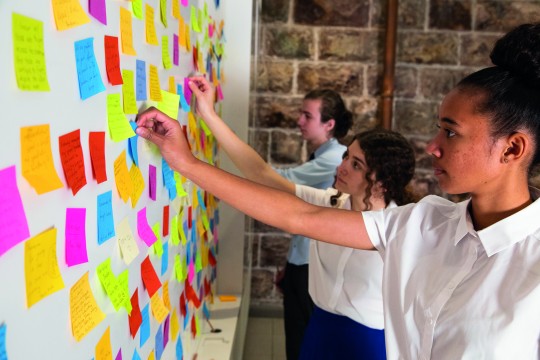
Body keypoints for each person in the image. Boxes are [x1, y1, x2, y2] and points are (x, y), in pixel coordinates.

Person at [136, 23, 540, 358]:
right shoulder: (425, 221)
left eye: (450, 132)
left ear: (512, 148)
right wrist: (185, 163)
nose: (433, 145)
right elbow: (298, 215)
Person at [186, 76, 416, 359]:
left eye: (356, 165)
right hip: (321, 328)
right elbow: (262, 176)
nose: (342, 167)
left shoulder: (399, 227)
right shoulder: (330, 202)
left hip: (366, 341)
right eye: (346, 157)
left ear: (381, 182)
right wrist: (207, 114)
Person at [258, 89, 352, 359]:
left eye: (307, 115)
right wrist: (292, 264)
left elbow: (284, 181)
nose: (299, 120)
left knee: (303, 341)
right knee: (297, 337)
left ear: (329, 124)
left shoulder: (334, 158)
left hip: (313, 266)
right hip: (304, 262)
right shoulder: (323, 155)